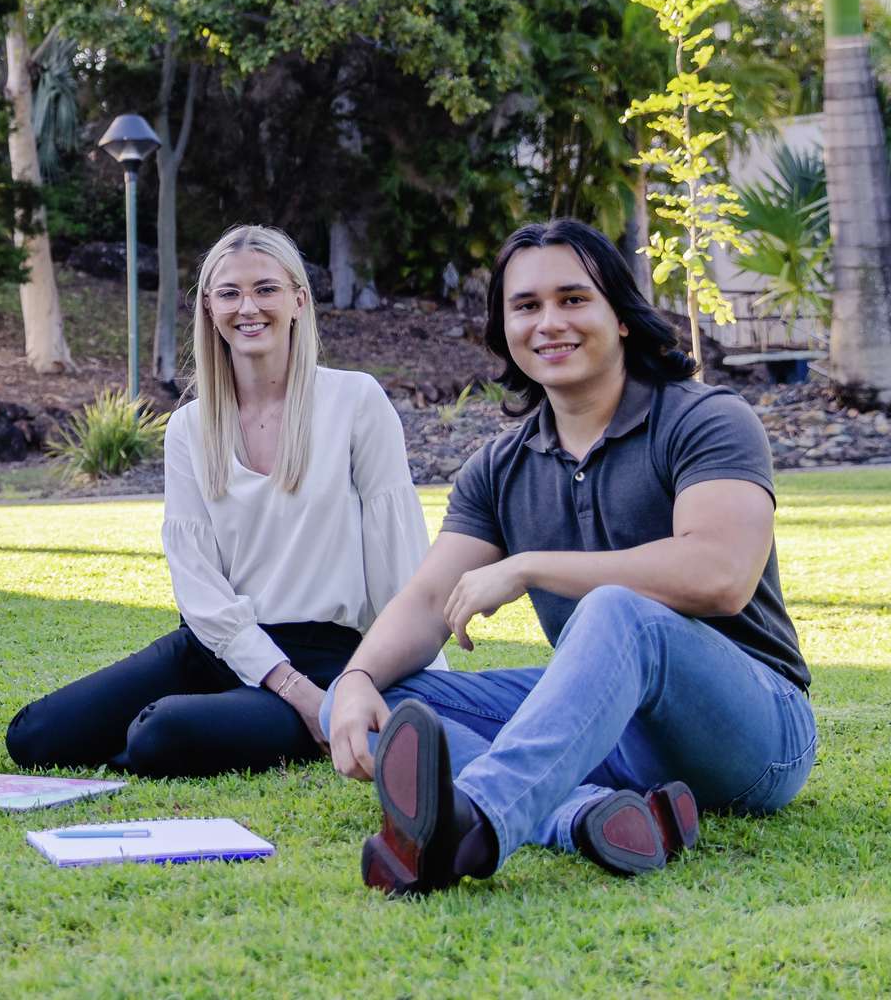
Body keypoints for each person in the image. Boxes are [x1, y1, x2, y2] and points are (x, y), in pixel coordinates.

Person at [323, 218, 816, 895]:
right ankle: (583, 813)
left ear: (620, 315)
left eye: (573, 299)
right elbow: (428, 601)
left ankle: (472, 830)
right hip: (606, 727)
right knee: (376, 698)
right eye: (526, 306)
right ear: (505, 330)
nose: (549, 322)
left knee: (620, 611)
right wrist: (353, 680)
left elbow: (721, 577)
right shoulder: (500, 467)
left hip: (754, 732)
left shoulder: (705, 419)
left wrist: (529, 567)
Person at [4, 224, 441, 777]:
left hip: (325, 655)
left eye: (266, 289)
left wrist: (423, 690)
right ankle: (269, 719)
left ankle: (266, 724)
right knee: (34, 736)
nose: (248, 307)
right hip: (220, 646)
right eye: (229, 293)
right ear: (210, 308)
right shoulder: (189, 427)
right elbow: (197, 583)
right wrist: (290, 690)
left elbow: (398, 557)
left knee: (161, 734)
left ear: (299, 301)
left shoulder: (355, 401)